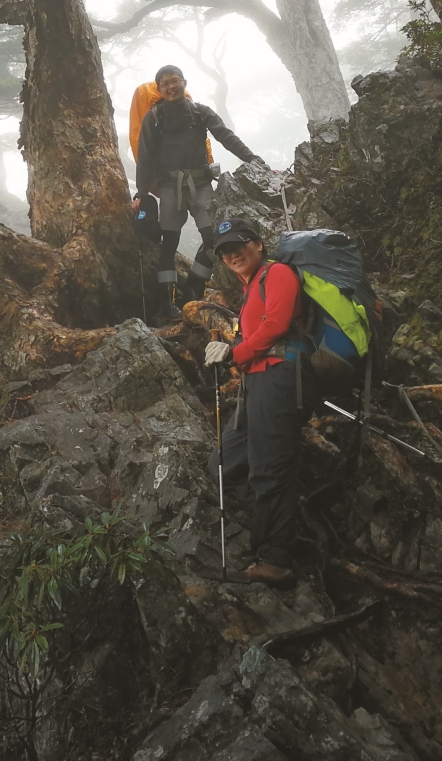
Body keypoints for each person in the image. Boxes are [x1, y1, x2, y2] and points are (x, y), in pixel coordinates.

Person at [204, 217, 309, 588]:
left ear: (258, 245)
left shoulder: (277, 273)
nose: (232, 255)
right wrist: (233, 351)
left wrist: (235, 353)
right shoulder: (251, 287)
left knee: (271, 467)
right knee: (223, 463)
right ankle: (268, 530)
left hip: (280, 378)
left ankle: (275, 560)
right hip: (258, 382)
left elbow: (277, 324)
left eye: (239, 245)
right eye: (225, 252)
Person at [131, 65, 258, 318]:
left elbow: (226, 136)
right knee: (169, 244)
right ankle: (168, 304)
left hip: (201, 185)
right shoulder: (154, 118)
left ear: (184, 82)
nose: (171, 87)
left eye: (175, 81)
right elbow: (144, 157)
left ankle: (193, 289)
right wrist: (141, 193)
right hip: (170, 188)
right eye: (165, 84)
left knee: (213, 240)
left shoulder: (201, 112)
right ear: (159, 90)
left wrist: (254, 160)